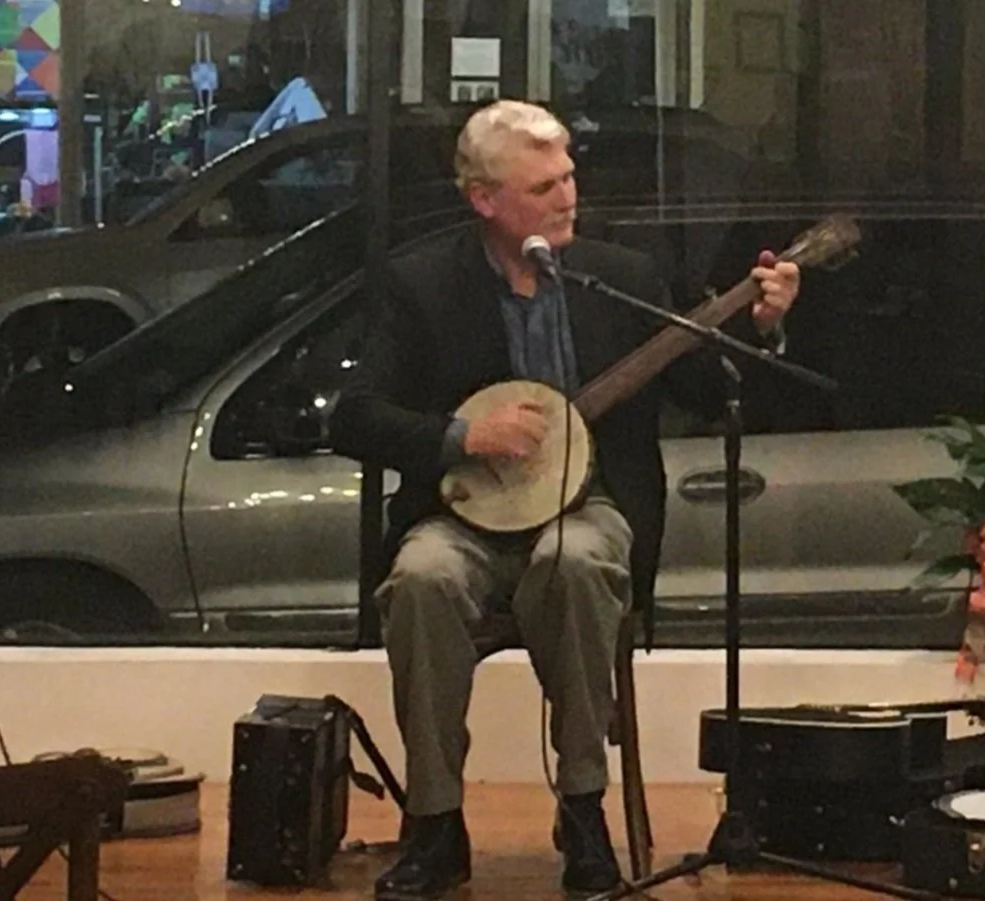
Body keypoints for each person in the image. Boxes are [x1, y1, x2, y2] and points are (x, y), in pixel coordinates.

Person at [328, 99, 800, 901]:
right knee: (421, 580)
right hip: (462, 515)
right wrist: (461, 436)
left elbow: (696, 383)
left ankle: (583, 812)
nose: (567, 196)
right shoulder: (422, 284)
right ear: (485, 199)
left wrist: (760, 326)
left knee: (575, 562)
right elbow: (356, 415)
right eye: (544, 184)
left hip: (590, 509)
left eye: (570, 176)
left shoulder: (622, 279)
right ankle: (436, 825)